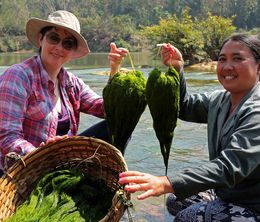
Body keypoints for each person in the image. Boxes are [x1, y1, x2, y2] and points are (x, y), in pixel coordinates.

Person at [119, 33, 260, 221]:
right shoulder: (220, 101)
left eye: (238, 59)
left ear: (258, 66)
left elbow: (229, 167)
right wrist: (178, 69)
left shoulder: (256, 111)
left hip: (252, 203)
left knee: (187, 216)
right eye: (221, 59)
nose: (227, 66)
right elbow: (183, 106)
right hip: (229, 193)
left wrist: (166, 181)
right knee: (176, 200)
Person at [0, 10, 128, 174]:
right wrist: (43, 156)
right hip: (25, 169)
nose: (59, 47)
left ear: (73, 50)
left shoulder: (71, 83)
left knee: (119, 124)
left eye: (68, 43)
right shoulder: (18, 76)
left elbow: (108, 110)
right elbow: (7, 138)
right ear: (41, 39)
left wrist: (114, 69)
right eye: (54, 38)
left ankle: (112, 178)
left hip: (61, 163)